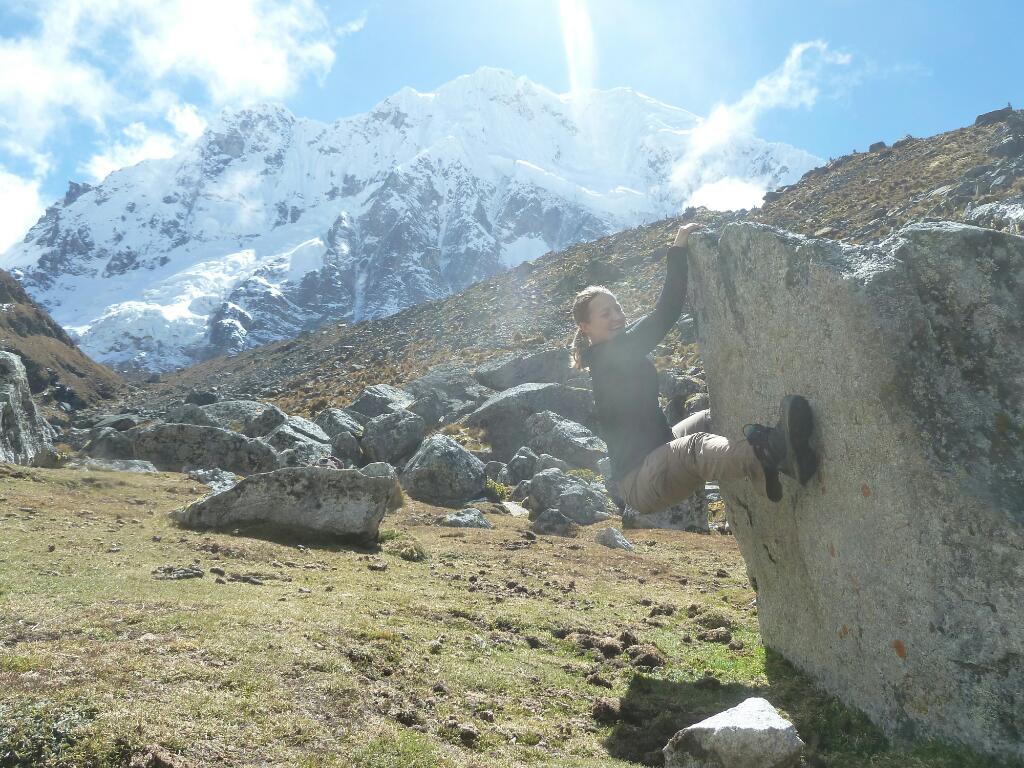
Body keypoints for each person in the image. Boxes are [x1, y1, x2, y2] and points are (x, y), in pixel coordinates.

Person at [569, 223, 818, 514]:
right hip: (639, 480)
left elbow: (651, 319)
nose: (617, 317)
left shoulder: (616, 347)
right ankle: (772, 452)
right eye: (605, 313)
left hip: (658, 449)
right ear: (585, 327)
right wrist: (678, 249)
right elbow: (666, 312)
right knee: (695, 448)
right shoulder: (609, 357)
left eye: (618, 308)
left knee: (712, 417)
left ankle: (765, 471)